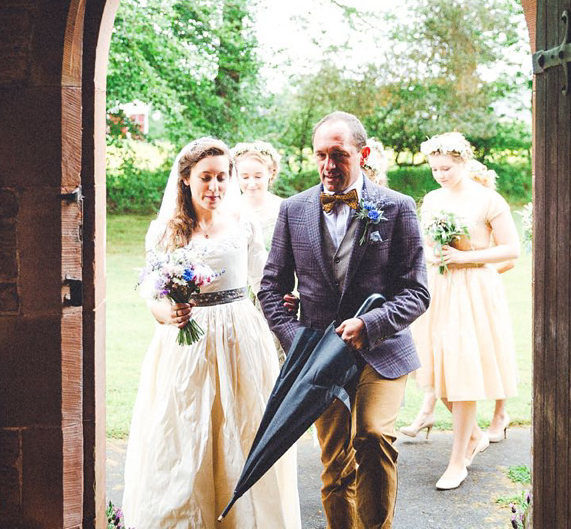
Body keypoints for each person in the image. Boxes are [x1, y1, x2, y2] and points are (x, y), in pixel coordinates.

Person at [259, 111, 430, 529]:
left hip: (381, 352)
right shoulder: (293, 210)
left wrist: (369, 325)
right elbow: (269, 288)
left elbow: (417, 292)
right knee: (335, 463)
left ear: (363, 153)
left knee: (372, 436)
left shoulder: (398, 208)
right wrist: (299, 340)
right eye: (321, 155)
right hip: (318, 358)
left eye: (339, 155)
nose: (329, 166)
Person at [121, 138, 300, 529]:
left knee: (242, 433)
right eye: (205, 178)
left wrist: (286, 307)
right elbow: (152, 298)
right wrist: (169, 314)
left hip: (240, 340)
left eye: (222, 177)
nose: (215, 187)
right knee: (186, 438)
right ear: (186, 179)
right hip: (186, 344)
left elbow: (261, 282)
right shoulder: (164, 232)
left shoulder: (244, 224)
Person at [402, 132, 520, 490]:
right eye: (435, 168)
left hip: (475, 291)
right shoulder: (433, 200)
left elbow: (511, 249)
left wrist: (466, 257)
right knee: (438, 371)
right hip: (440, 289)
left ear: (464, 162)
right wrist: (431, 254)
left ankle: (457, 462)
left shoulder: (488, 200)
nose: (440, 174)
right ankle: (472, 437)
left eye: (447, 168)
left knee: (464, 370)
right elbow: (424, 243)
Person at [231, 140, 284, 249]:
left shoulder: (283, 207)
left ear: (271, 172)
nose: (251, 183)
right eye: (245, 177)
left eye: (258, 176)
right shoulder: (230, 209)